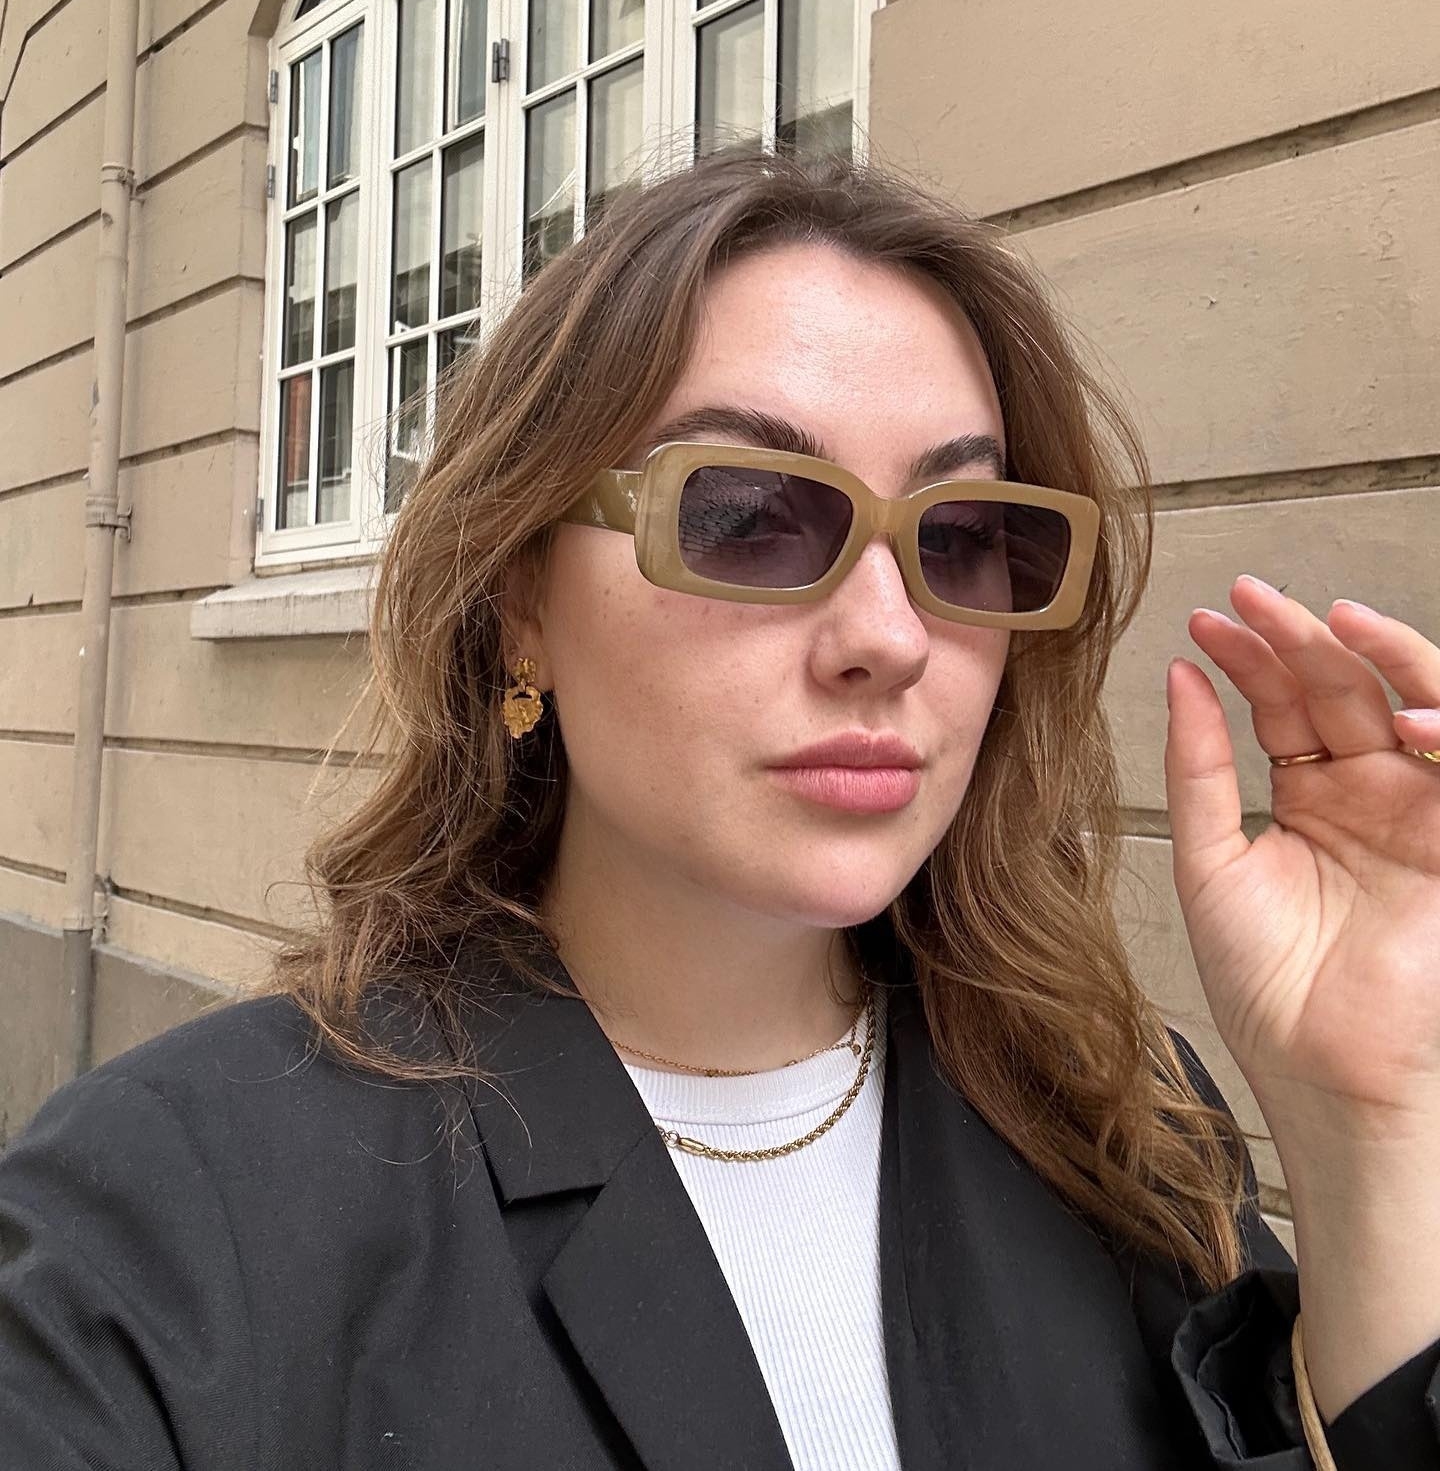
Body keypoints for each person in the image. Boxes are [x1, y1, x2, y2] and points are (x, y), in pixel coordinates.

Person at [2, 148, 1438, 1471]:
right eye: (745, 515)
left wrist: (1371, 1134)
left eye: (962, 537)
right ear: (520, 601)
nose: (889, 638)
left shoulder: (1115, 1112)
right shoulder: (171, 1225)